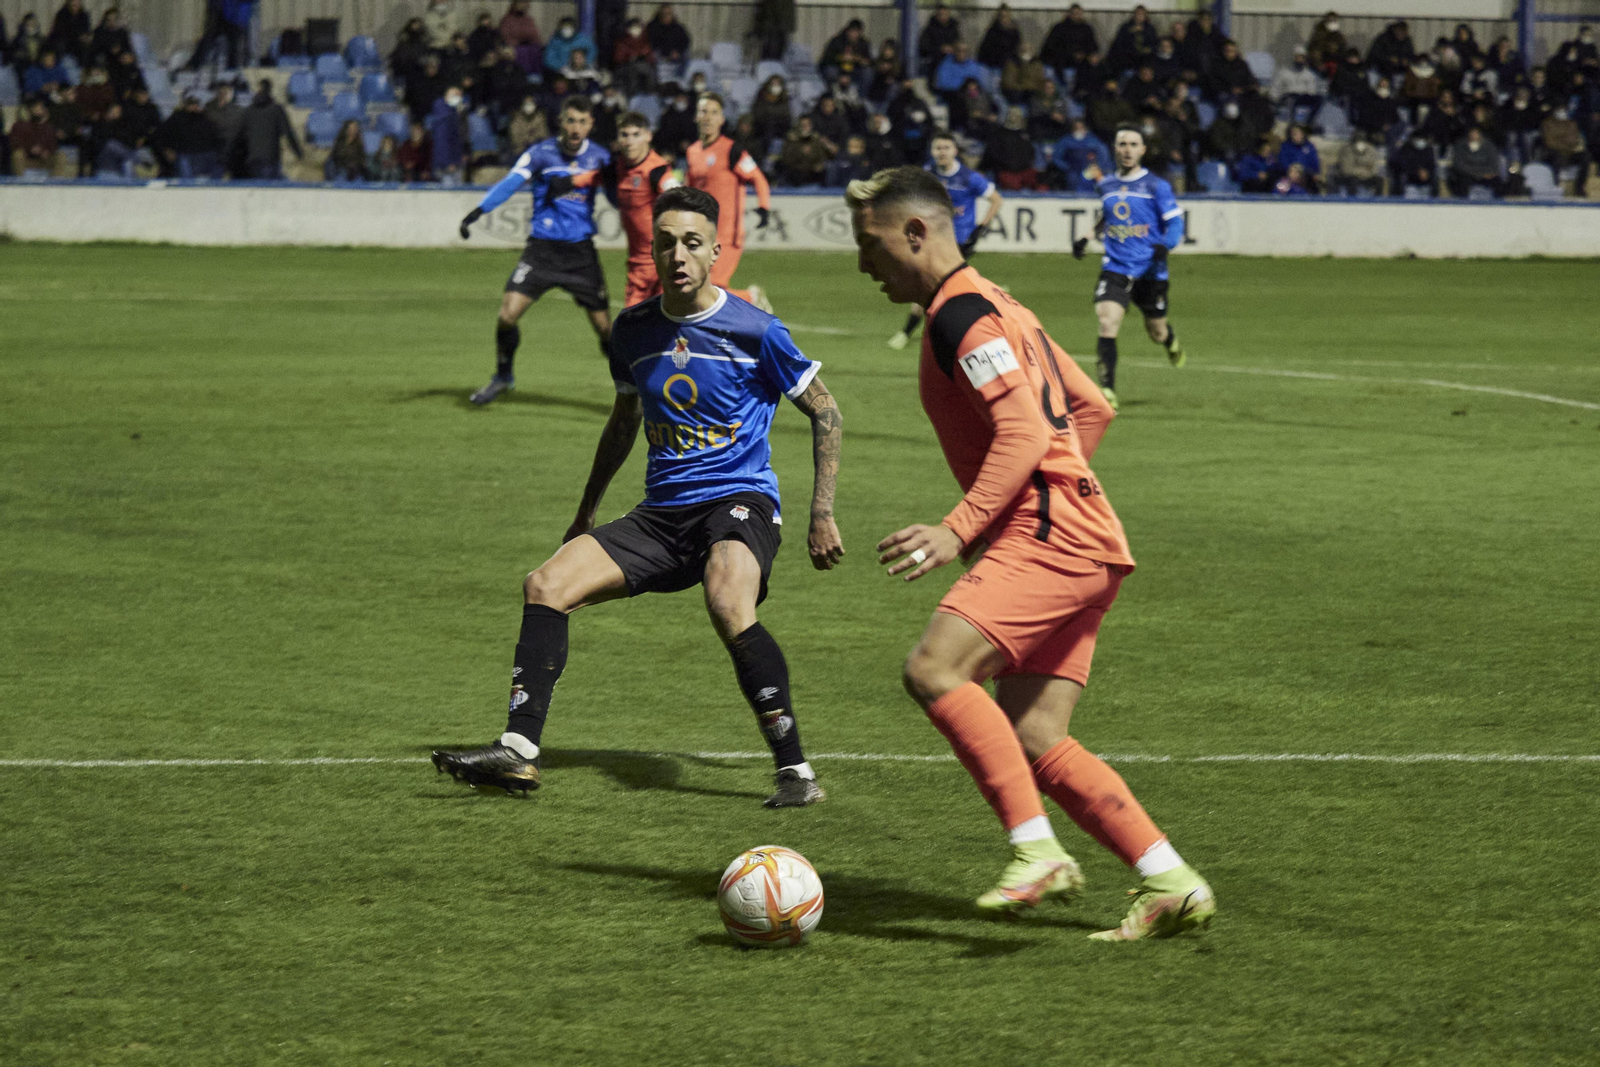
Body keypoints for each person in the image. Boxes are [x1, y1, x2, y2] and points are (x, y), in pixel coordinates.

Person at [846, 165, 1215, 938]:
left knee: (934, 668)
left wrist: (965, 525)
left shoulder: (959, 315)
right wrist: (1060, 484)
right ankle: (1169, 880)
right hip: (1082, 534)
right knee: (1036, 732)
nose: (863, 264)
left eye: (870, 244)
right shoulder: (1002, 302)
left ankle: (1034, 850)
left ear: (916, 233)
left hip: (1049, 535)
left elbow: (1022, 429)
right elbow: (1087, 406)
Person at [433, 185, 845, 807]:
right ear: (651, 249)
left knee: (727, 597)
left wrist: (821, 514)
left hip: (738, 503)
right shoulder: (633, 331)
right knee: (545, 585)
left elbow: (825, 410)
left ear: (714, 252)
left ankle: (795, 772)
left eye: (691, 243)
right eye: (666, 243)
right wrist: (585, 512)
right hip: (660, 515)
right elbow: (623, 420)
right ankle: (517, 755)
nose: (677, 255)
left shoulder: (756, 330)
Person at [458, 97, 613, 405]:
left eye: (582, 122)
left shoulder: (601, 158)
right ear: (561, 122)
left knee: (605, 330)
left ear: (590, 124)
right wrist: (479, 210)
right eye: (571, 121)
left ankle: (631, 389)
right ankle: (503, 377)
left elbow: (621, 195)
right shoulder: (541, 153)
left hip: (580, 254)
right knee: (507, 315)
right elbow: (511, 182)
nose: (576, 128)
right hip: (541, 251)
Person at [1071, 126, 1185, 409]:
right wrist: (1087, 237)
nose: (1127, 149)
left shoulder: (1156, 186)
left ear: (1142, 150)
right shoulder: (1106, 185)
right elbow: (1107, 217)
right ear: (1115, 148)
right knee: (1107, 322)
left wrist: (1165, 244)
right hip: (1116, 267)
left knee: (1155, 331)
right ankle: (1107, 390)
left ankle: (1170, 340)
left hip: (1150, 270)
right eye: (1122, 144)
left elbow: (1175, 223)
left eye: (1134, 144)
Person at [886, 130, 1000, 351]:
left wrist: (980, 228)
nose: (942, 152)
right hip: (931, 240)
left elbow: (996, 200)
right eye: (938, 148)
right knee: (938, 286)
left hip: (958, 243)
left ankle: (907, 332)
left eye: (946, 148)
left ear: (955, 151)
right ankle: (983, 316)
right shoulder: (927, 175)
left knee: (930, 285)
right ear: (932, 151)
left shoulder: (969, 177)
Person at [686, 93, 774, 310]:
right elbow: (691, 191)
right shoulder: (692, 151)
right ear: (696, 116)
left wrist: (764, 207)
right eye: (704, 111)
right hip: (702, 231)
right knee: (697, 287)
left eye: (714, 112)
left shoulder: (732, 150)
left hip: (727, 232)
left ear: (722, 119)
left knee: (711, 286)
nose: (708, 117)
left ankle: (749, 298)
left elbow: (758, 178)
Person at [591, 111, 679, 306]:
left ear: (648, 136)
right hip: (638, 261)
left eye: (636, 134)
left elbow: (679, 199)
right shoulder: (618, 167)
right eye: (625, 135)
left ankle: (746, 300)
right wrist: (570, 181)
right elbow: (593, 178)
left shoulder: (657, 170)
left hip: (661, 261)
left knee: (631, 324)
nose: (630, 141)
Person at [237, 79, 301, 179]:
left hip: (252, 160)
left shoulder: (248, 111)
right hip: (271, 159)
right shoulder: (277, 110)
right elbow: (288, 133)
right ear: (270, 90)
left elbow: (238, 136)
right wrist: (299, 153)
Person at [155, 93, 222, 178]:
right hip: (183, 153)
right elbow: (161, 134)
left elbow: (215, 137)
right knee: (184, 169)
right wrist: (167, 149)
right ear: (185, 106)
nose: (194, 107)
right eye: (191, 105)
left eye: (195, 104)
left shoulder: (204, 118)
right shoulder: (176, 118)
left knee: (217, 163)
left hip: (203, 154)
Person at [1041, 4, 1098, 84]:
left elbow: (1092, 45)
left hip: (1082, 62)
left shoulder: (1086, 29)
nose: (1077, 16)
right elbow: (1051, 47)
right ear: (1069, 14)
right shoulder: (1059, 28)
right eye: (1074, 13)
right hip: (1061, 62)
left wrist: (1088, 55)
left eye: (1079, 14)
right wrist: (1072, 54)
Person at [1271, 46, 1324, 128]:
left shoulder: (1309, 74)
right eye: (1297, 58)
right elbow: (1276, 87)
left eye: (1302, 58)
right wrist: (1274, 98)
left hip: (1302, 97)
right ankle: (1292, 123)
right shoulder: (1284, 72)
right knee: (1291, 99)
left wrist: (1310, 96)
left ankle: (1309, 123)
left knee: (1319, 99)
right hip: (1287, 96)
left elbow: (1312, 90)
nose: (1299, 60)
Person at [1447, 126, 1504, 197]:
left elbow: (1493, 164)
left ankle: (1497, 204)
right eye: (1472, 133)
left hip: (1486, 175)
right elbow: (1459, 164)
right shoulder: (1461, 146)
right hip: (1468, 175)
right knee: (1461, 181)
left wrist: (1486, 173)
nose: (1474, 136)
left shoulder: (1489, 146)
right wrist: (1477, 174)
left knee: (1497, 181)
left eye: (1476, 133)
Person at [778, 112, 832, 185]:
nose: (805, 127)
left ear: (811, 126)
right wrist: (800, 152)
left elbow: (822, 156)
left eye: (807, 125)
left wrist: (819, 164)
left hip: (813, 172)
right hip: (796, 173)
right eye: (802, 125)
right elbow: (787, 159)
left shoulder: (816, 140)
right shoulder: (792, 140)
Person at [9, 97, 59, 176]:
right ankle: (20, 182)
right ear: (30, 110)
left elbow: (53, 144)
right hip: (26, 157)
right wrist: (30, 149)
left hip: (43, 159)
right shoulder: (19, 126)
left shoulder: (48, 127)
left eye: (41, 108)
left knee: (60, 156)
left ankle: (57, 183)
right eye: (38, 108)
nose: (41, 110)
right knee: (18, 154)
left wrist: (47, 150)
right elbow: (15, 143)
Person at [1330, 131, 1383, 196]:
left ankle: (1377, 202)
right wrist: (1360, 172)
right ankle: (1352, 202)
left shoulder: (1371, 150)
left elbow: (1374, 168)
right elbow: (1346, 169)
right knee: (1352, 181)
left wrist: (1365, 174)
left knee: (1379, 181)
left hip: (1367, 176)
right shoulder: (1346, 150)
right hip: (1350, 176)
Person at [918, 3, 961, 78]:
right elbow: (923, 47)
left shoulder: (954, 28)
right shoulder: (929, 29)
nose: (943, 17)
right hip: (935, 61)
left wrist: (953, 48)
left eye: (945, 14)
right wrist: (940, 49)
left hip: (953, 61)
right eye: (941, 14)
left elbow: (958, 42)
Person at [1389, 131, 1437, 197]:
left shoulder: (1429, 150)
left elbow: (1432, 165)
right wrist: (1417, 172)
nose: (1421, 141)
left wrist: (1427, 173)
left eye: (1423, 139)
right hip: (1410, 183)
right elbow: (1403, 165)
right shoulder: (1407, 149)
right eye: (1419, 139)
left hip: (1426, 184)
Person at [1276, 123, 1320, 192]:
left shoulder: (1309, 146)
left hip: (1305, 175)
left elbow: (1315, 164)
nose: (1295, 136)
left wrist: (1300, 171)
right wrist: (1292, 171)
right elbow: (1282, 162)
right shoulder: (1285, 146)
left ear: (1303, 134)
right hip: (1288, 175)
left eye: (1297, 133)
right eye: (1293, 134)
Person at [977, 4, 1020, 70]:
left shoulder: (1014, 32)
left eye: (1006, 16)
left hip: (1009, 65)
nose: (1004, 19)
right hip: (994, 65)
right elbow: (985, 50)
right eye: (1002, 16)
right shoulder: (992, 31)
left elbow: (1017, 48)